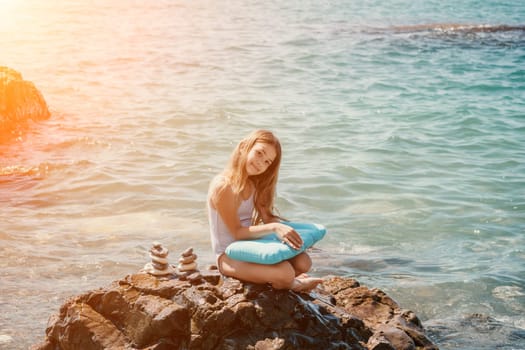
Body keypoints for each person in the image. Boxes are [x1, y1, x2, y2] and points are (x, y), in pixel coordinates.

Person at [207, 129, 323, 291]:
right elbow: (237, 232)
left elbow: (268, 219)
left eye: (268, 161)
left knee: (304, 262)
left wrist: (290, 236)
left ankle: (271, 277)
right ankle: (292, 284)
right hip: (228, 256)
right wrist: (275, 228)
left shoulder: (255, 184)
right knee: (286, 273)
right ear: (243, 147)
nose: (261, 162)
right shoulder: (223, 186)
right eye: (259, 153)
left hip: (252, 247)